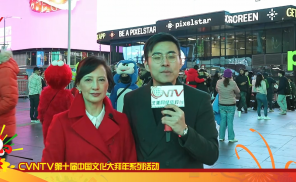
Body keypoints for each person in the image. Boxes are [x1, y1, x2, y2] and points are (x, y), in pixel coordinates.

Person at [123, 33, 218, 168]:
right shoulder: (132, 99)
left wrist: (185, 131)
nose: (165, 62)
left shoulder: (199, 99)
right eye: (157, 57)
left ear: (180, 62)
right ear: (147, 64)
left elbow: (211, 155)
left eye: (171, 56)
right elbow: (125, 147)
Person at [41, 56, 137, 163]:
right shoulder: (60, 122)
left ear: (108, 84)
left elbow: (130, 166)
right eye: (88, 80)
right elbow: (49, 170)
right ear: (78, 85)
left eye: (101, 80)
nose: (95, 86)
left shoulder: (122, 121)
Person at [38, 61, 74, 146]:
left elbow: (41, 110)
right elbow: (72, 113)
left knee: (49, 148)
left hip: (48, 124)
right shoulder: (67, 95)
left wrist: (43, 121)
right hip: (63, 127)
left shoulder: (45, 93)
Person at [216, 69, 240, 142]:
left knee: (223, 120)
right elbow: (238, 91)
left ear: (223, 75)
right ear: (231, 75)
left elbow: (217, 90)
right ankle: (231, 138)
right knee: (230, 121)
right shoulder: (233, 83)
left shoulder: (219, 82)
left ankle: (221, 137)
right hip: (231, 104)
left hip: (222, 104)